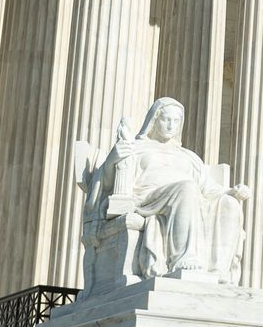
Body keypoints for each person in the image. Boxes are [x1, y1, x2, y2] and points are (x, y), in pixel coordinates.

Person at [101, 97, 248, 280]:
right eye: (166, 119)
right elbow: (107, 184)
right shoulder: (137, 148)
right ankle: (184, 258)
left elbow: (208, 188)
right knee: (186, 189)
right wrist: (112, 160)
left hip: (189, 198)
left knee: (229, 204)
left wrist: (231, 192)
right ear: (154, 120)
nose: (171, 125)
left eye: (176, 121)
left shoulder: (189, 157)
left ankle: (218, 270)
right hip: (148, 198)